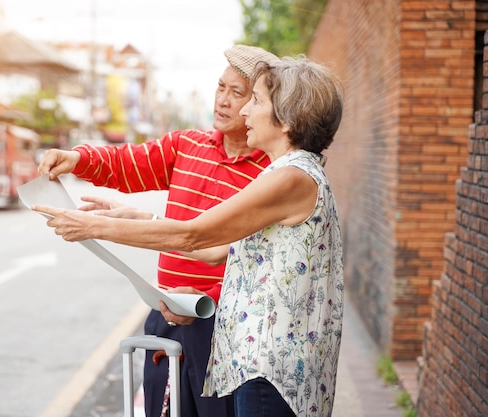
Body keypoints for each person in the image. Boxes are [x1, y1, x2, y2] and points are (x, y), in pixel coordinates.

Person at [35, 55, 345, 417]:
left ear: (288, 119)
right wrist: (138, 217)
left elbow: (193, 235)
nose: (243, 110)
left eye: (255, 100)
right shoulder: (288, 172)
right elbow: (216, 249)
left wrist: (92, 227)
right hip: (257, 362)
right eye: (222, 89)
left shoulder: (289, 177)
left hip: (270, 367)